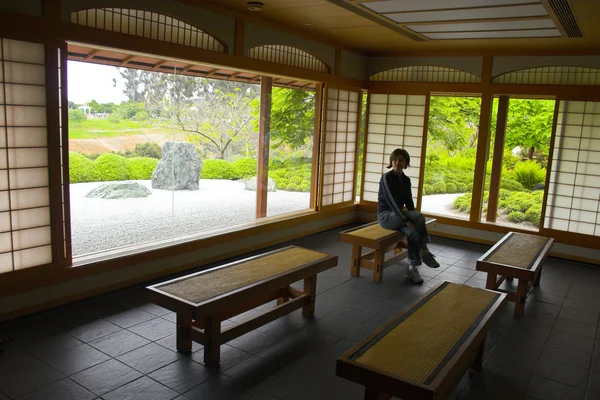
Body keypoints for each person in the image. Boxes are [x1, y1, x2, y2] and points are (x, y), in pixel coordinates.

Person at [378, 148, 439, 283]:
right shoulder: (386, 178)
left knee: (413, 233)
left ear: (405, 163)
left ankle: (412, 268)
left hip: (399, 217)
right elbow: (392, 202)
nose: (397, 163)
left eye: (401, 160)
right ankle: (425, 250)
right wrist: (406, 220)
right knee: (419, 217)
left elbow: (409, 201)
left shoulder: (406, 180)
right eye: (395, 160)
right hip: (386, 216)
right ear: (391, 161)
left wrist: (413, 222)